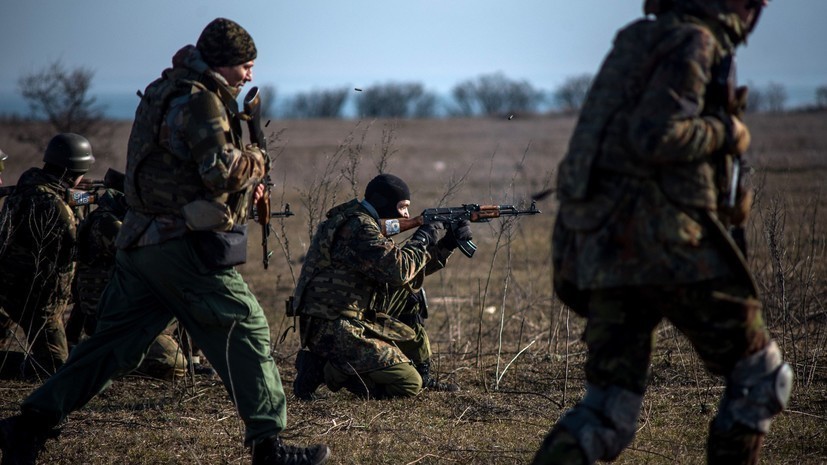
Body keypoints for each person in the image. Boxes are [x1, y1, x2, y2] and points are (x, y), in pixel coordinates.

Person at [0, 18, 329, 465]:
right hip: (181, 245)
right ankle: (269, 447)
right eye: (245, 66)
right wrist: (257, 161)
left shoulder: (163, 89)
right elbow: (219, 171)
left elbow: (177, 169)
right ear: (223, 63)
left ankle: (27, 427)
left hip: (140, 244)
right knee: (247, 325)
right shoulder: (202, 102)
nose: (249, 76)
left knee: (110, 348)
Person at [532, 1, 791, 464]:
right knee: (762, 377)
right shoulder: (695, 40)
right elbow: (656, 136)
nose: (756, 15)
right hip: (670, 246)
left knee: (607, 410)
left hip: (601, 248)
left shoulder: (636, 38)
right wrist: (725, 131)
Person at [291, 173, 469, 400]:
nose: (406, 214)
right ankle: (326, 369)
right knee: (407, 383)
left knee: (410, 294)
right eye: (403, 207)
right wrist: (422, 237)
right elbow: (399, 270)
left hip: (346, 314)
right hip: (332, 326)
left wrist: (447, 244)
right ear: (385, 203)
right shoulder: (359, 228)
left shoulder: (359, 221)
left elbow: (404, 275)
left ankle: (423, 372)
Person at [65, 185, 188, 381]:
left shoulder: (120, 219)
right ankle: (115, 363)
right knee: (173, 364)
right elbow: (147, 259)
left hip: (123, 314)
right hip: (116, 320)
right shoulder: (108, 223)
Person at [0, 133, 93, 378]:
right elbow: (79, 248)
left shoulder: (26, 191)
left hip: (11, 291)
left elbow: (64, 198)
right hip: (39, 303)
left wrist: (88, 197)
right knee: (54, 371)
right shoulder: (55, 207)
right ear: (77, 170)